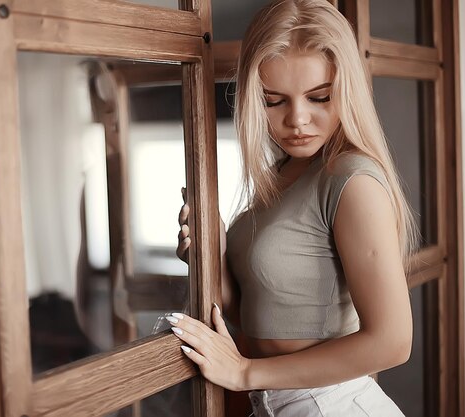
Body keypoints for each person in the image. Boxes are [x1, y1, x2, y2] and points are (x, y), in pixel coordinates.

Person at [170, 0, 419, 415]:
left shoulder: (351, 180)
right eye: (274, 100)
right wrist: (209, 254)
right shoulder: (284, 174)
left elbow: (393, 342)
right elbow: (259, 310)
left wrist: (245, 373)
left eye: (319, 96)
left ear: (346, 90)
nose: (298, 119)